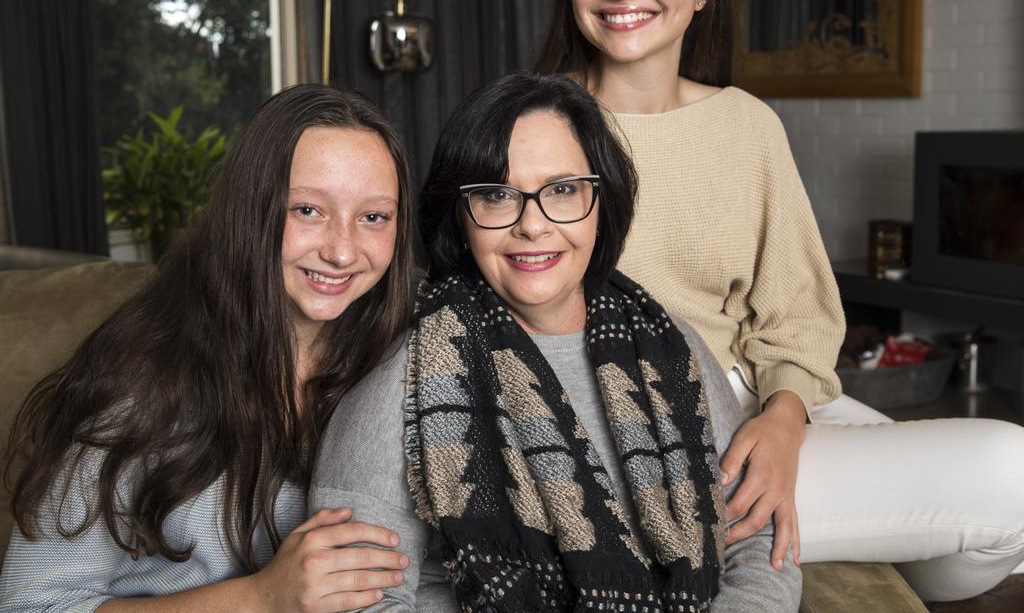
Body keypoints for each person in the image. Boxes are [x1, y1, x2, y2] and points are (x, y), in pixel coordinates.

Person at [533, 0, 1024, 601]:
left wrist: (786, 421)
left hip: (764, 392)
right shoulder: (528, 128)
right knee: (1006, 476)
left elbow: (795, 311)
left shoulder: (746, 125)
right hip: (652, 436)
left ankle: (836, 535)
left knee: (1010, 510)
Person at [310, 73, 802, 612]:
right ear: (460, 215)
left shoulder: (671, 347)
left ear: (602, 200)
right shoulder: (404, 384)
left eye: (563, 190)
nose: (533, 225)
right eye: (497, 196)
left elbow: (755, 544)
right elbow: (356, 606)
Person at [1, 85, 415, 612]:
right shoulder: (140, 381)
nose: (341, 250)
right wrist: (261, 597)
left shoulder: (401, 362)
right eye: (308, 209)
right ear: (251, 211)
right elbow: (30, 604)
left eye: (373, 217)